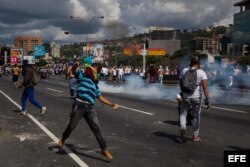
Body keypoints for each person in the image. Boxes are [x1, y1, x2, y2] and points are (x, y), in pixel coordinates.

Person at [58, 61, 119, 160]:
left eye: (93, 68)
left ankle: (104, 149)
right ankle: (64, 138)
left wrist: (111, 104)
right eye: (91, 67)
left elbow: (100, 97)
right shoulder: (81, 76)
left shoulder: (95, 85)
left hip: (89, 108)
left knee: (97, 129)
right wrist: (75, 65)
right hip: (79, 104)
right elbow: (73, 71)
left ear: (96, 71)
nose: (90, 68)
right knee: (71, 126)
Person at [179, 56, 210, 143]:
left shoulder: (184, 71)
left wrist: (182, 93)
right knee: (196, 116)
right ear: (199, 64)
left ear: (190, 62)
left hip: (186, 97)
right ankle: (195, 136)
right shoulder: (201, 72)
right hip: (196, 98)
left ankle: (183, 128)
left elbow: (181, 84)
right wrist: (207, 100)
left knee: (183, 114)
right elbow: (205, 87)